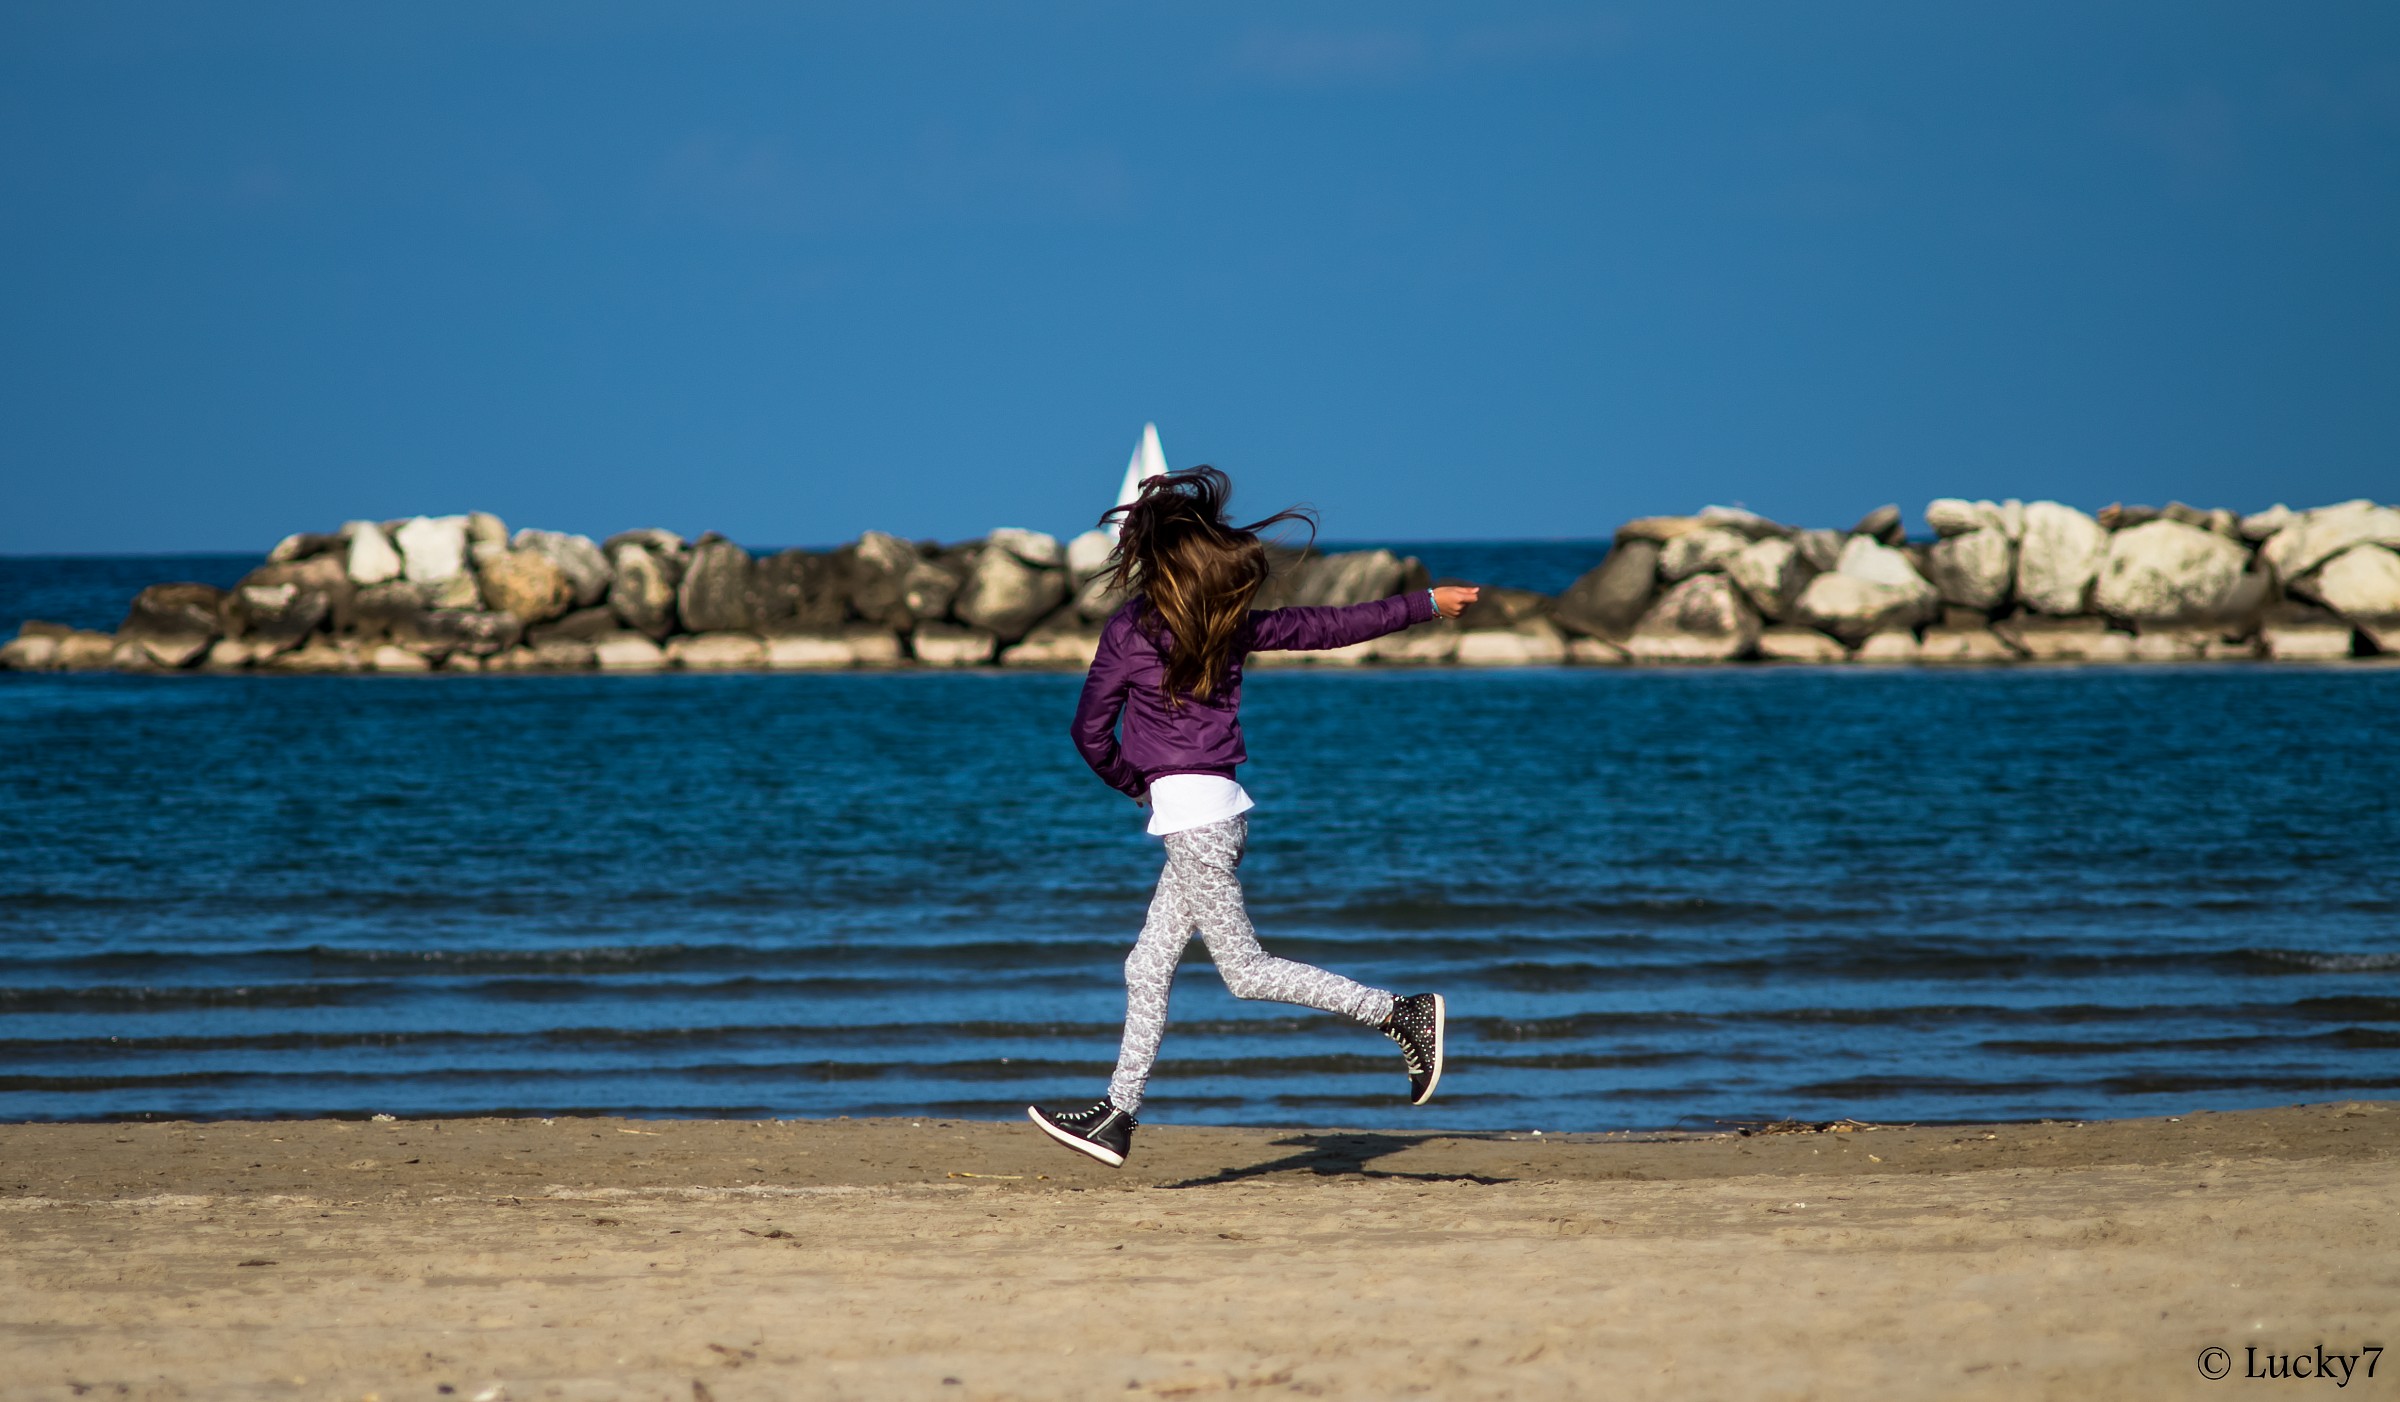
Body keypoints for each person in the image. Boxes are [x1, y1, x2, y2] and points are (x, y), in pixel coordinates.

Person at [1026, 466, 1480, 1167]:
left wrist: (1133, 784)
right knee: (1146, 965)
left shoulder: (1131, 630)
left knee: (1244, 971)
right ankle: (1116, 1115)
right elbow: (1329, 627)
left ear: (1152, 557)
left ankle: (1402, 1013)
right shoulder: (1225, 623)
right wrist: (1422, 603)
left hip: (1194, 825)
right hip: (1218, 817)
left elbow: (1089, 734)